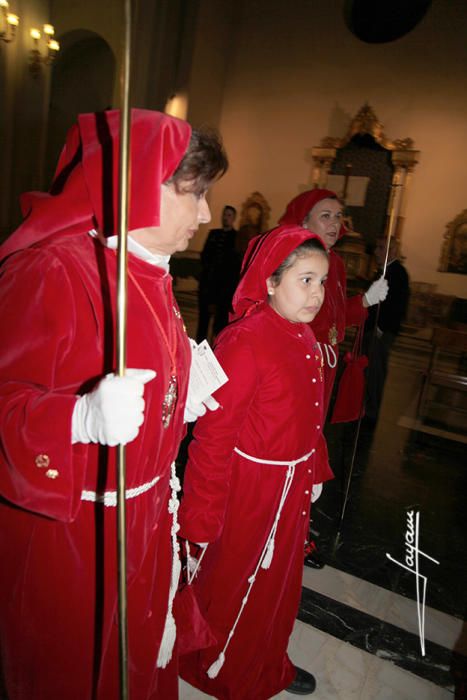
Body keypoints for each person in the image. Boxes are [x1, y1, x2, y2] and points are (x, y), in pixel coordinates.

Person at [0, 109, 227, 700]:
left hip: (147, 519)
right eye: (195, 194)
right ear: (140, 188)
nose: (204, 213)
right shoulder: (52, 269)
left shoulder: (152, 270)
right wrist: (75, 417)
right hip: (78, 537)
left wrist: (179, 403)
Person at [178, 225, 334, 698]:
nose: (317, 294)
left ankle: (266, 659)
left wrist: (316, 468)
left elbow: (310, 414)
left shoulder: (303, 334)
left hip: (290, 488)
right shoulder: (244, 341)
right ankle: (219, 668)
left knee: (276, 585)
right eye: (305, 280)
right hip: (248, 492)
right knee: (234, 583)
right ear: (270, 281)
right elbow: (212, 438)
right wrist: (200, 517)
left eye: (322, 281)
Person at [279, 188, 388, 568]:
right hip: (294, 368)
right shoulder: (287, 257)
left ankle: (298, 529)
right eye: (325, 215)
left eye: (338, 216)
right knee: (286, 448)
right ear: (303, 218)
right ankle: (279, 528)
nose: (334, 223)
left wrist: (366, 302)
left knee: (310, 449)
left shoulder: (336, 265)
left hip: (323, 372)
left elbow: (338, 320)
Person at [363, 236, 410, 426]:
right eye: (377, 247)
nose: (376, 251)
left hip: (380, 331)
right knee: (370, 369)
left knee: (375, 371)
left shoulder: (397, 272)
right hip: (374, 328)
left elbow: (396, 305)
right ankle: (366, 406)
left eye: (380, 248)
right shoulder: (385, 270)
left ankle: (371, 412)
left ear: (392, 251)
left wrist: (381, 328)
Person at [196, 205, 241, 343]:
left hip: (224, 287)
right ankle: (199, 347)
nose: (226, 218)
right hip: (208, 284)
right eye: (224, 214)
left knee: (220, 322)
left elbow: (235, 263)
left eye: (229, 215)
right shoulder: (213, 234)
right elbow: (205, 255)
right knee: (203, 320)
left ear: (233, 218)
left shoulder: (236, 237)